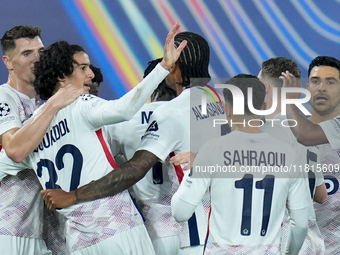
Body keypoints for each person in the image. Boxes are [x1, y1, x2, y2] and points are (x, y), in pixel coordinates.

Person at [0, 23, 186, 254]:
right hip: (117, 227)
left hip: (78, 241)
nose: (90, 74)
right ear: (61, 76)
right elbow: (124, 109)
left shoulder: (33, 128)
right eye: (83, 68)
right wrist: (163, 67)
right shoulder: (81, 105)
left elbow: (8, 158)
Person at [41, 31, 227, 254]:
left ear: (174, 66)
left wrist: (73, 195)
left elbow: (135, 169)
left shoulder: (171, 112)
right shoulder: (229, 105)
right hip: (228, 230)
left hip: (185, 232)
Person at [171, 74, 309, 254]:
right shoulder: (290, 155)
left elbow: (180, 212)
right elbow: (300, 225)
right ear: (264, 107)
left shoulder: (212, 151)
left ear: (226, 109)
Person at [0, 25, 83, 255]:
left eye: (41, 51)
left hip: (49, 232)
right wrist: (54, 103)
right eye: (27, 53)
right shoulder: (4, 98)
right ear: (8, 62)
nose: (37, 59)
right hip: (10, 230)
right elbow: (15, 150)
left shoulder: (47, 100)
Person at [105, 57, 179, 255]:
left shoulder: (122, 120)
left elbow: (106, 168)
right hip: (194, 227)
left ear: (150, 86)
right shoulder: (191, 114)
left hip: (151, 229)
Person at [259, 57, 326, 254]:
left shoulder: (267, 134)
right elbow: (320, 194)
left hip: (284, 239)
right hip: (312, 240)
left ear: (266, 88)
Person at [282, 56, 340, 254]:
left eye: (331, 82)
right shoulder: (286, 131)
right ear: (307, 88)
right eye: (316, 81)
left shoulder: (304, 132)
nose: (322, 88)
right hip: (302, 247)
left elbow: (305, 135)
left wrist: (289, 100)